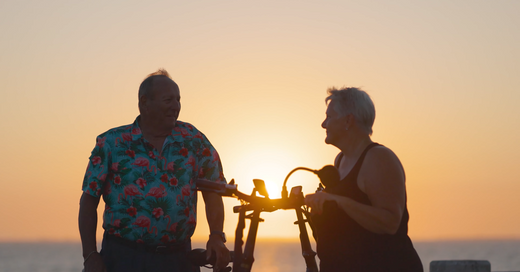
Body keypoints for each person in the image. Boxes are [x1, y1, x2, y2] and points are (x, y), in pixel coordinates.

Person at [78, 69, 230, 272]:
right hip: (123, 258)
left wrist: (217, 236)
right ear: (144, 103)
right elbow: (88, 201)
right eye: (168, 100)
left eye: (178, 100)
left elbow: (214, 192)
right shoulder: (111, 143)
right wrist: (90, 256)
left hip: (179, 259)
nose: (176, 107)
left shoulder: (194, 140)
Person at [304, 87, 423, 272]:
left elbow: (390, 222)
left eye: (329, 117)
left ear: (348, 120)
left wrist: (337, 200)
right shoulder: (340, 160)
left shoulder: (379, 158)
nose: (323, 124)